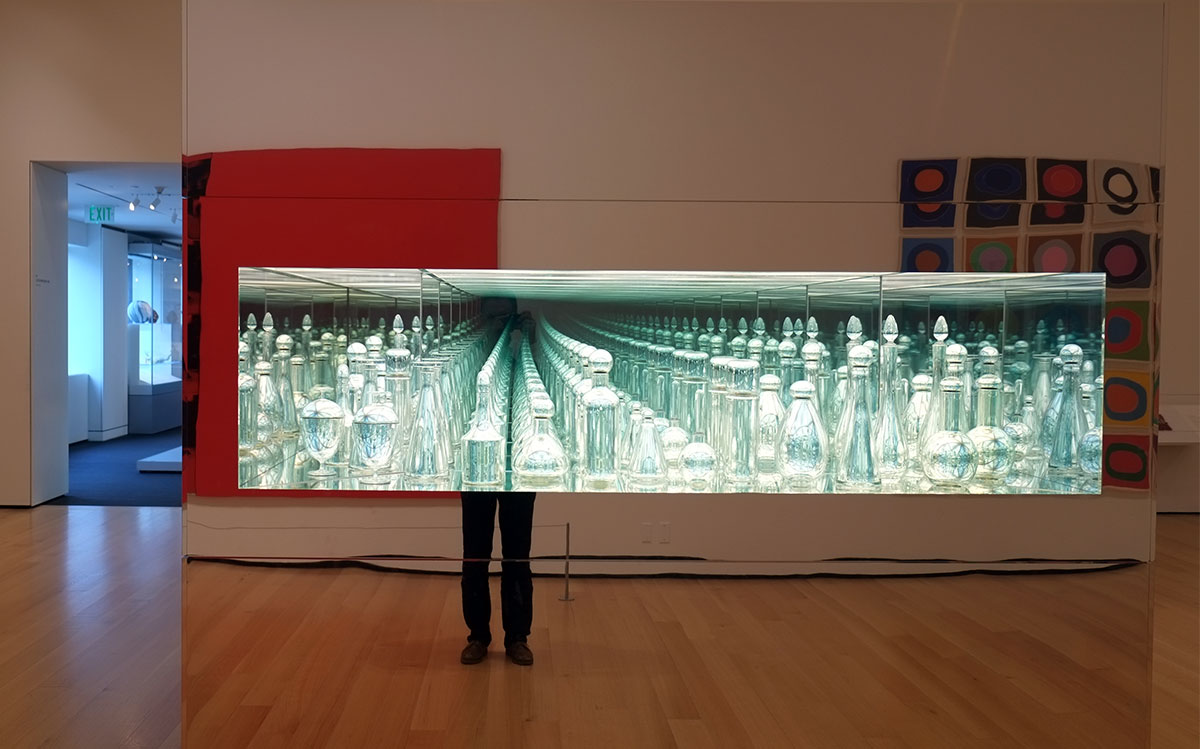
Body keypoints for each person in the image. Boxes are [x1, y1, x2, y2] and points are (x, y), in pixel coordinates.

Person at [459, 491, 536, 666]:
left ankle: (517, 638)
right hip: (476, 479)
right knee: (474, 558)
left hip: (516, 480)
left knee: (518, 558)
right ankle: (477, 636)